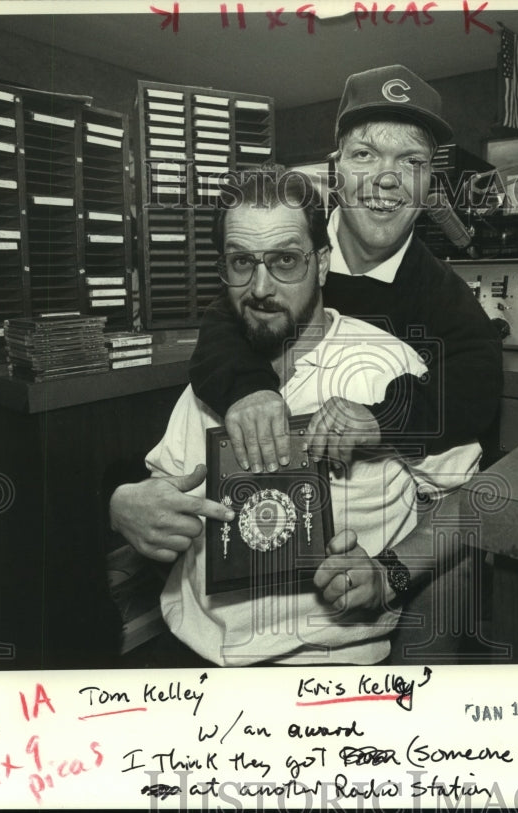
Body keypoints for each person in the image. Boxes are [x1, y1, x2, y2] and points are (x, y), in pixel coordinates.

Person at [110, 169, 480, 665]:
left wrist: (390, 573)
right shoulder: (213, 377)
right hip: (190, 651)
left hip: (319, 670)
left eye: (285, 260)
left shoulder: (388, 368)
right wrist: (125, 506)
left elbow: (473, 502)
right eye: (242, 262)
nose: (260, 287)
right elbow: (164, 495)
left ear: (322, 264)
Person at [189, 65, 503, 475]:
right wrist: (247, 391)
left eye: (411, 161)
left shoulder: (442, 293)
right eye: (364, 155)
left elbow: (477, 383)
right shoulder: (290, 252)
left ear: (430, 181)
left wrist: (381, 418)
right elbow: (223, 323)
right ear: (336, 169)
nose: (386, 179)